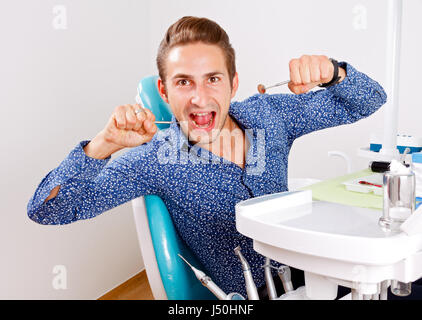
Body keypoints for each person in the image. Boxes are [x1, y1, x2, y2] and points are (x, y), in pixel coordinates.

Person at [27, 16, 387, 299]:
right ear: (164, 91)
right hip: (259, 293)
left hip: (324, 269)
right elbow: (48, 210)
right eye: (184, 82)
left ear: (233, 83)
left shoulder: (271, 115)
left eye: (212, 79)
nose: (199, 98)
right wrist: (102, 145)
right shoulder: (154, 159)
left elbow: (370, 99)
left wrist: (332, 72)